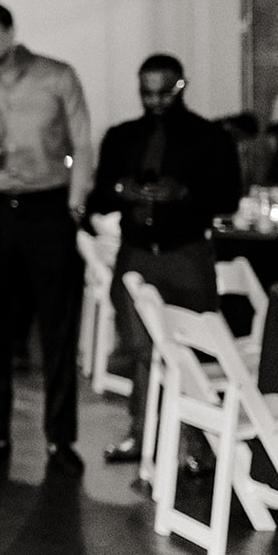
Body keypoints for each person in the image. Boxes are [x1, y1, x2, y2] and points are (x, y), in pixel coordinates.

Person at [0, 0, 93, 476]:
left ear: (10, 31)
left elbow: (83, 143)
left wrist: (75, 207)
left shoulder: (58, 75)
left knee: (57, 328)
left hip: (47, 210)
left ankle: (61, 440)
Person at [85, 54, 242, 464]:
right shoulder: (122, 136)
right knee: (138, 349)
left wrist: (183, 192)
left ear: (180, 87)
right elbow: (98, 195)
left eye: (163, 92)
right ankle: (140, 434)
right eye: (146, 93)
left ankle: (196, 445)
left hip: (185, 251)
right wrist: (124, 189)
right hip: (136, 252)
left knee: (191, 348)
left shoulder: (210, 137)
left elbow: (229, 198)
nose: (154, 101)